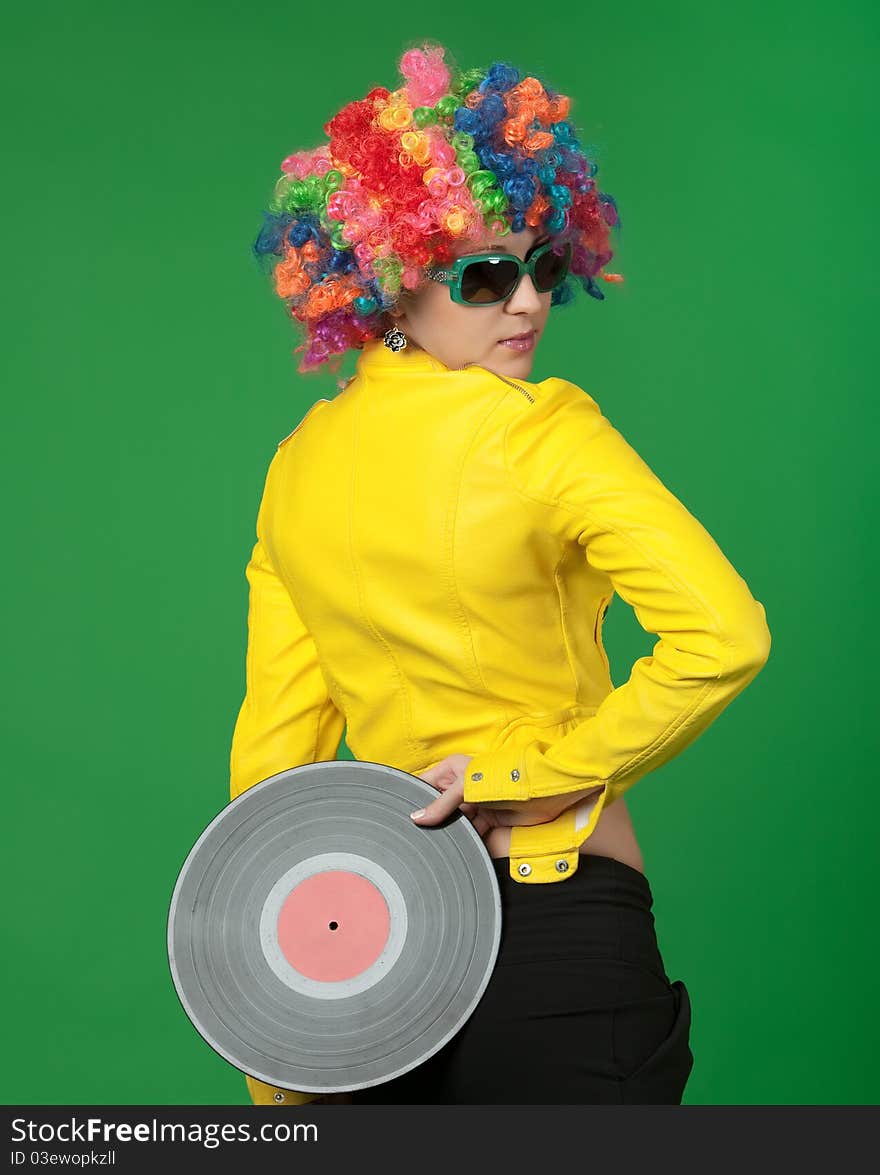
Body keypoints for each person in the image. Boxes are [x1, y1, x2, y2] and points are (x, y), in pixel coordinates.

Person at [231, 41, 772, 1106]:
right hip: (556, 912)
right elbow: (725, 635)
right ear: (388, 278)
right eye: (483, 274)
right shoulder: (545, 432)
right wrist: (529, 776)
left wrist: (278, 1043)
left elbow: (273, 771)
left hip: (371, 941)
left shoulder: (294, 469)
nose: (525, 302)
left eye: (543, 267)